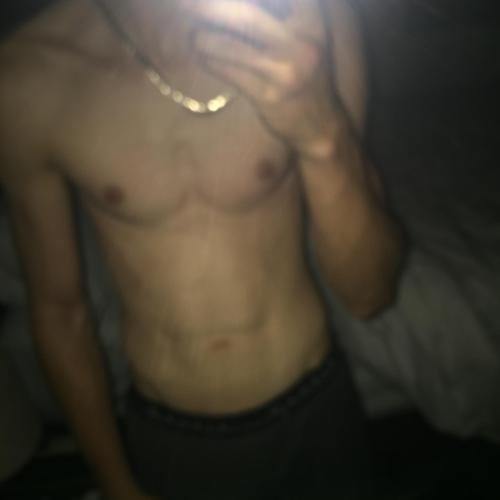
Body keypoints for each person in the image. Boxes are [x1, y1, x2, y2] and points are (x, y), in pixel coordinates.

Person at [0, 0, 403, 498]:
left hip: (319, 413)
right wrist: (114, 482)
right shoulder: (27, 75)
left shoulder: (308, 27)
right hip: (174, 440)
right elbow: (61, 313)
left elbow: (370, 294)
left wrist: (325, 137)